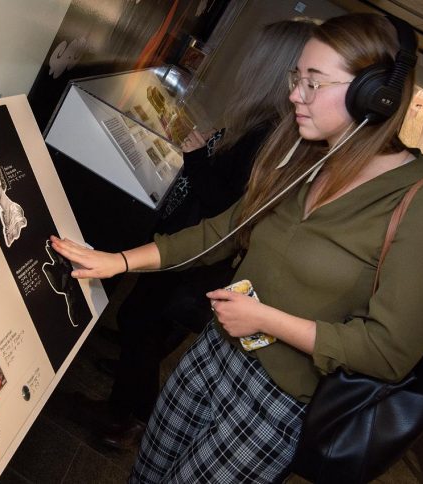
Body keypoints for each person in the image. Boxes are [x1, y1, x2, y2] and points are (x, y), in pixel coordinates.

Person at [50, 13, 423, 483]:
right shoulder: (307, 156)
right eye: (298, 77)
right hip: (213, 353)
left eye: (314, 82)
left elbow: (390, 351)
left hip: (279, 402)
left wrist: (266, 320)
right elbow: (223, 232)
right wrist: (119, 261)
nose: (295, 93)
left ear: (376, 96)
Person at [90, 18, 316, 450]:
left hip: (201, 255)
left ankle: (127, 418)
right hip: (203, 254)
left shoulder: (268, 130)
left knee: (142, 323)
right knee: (144, 325)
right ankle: (129, 396)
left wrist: (195, 158)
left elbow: (223, 206)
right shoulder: (275, 126)